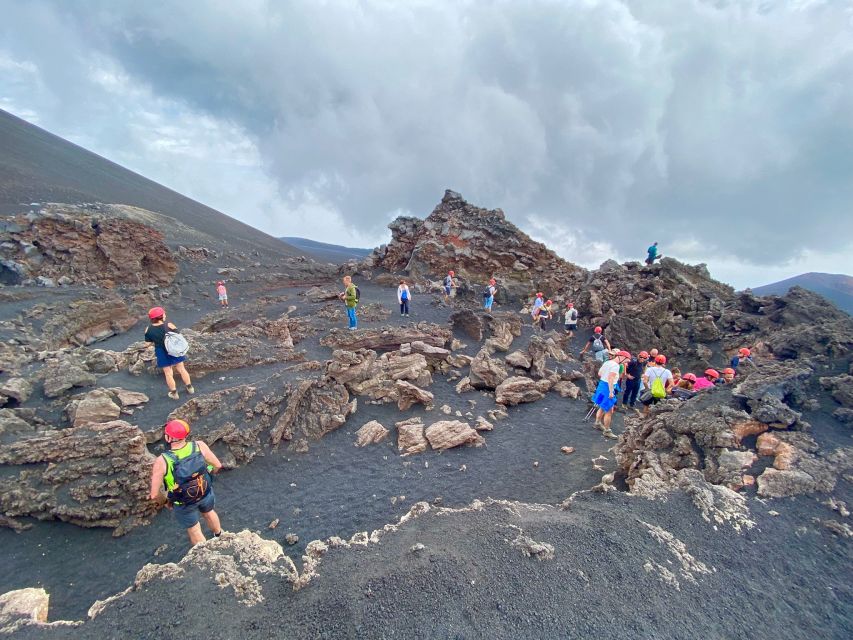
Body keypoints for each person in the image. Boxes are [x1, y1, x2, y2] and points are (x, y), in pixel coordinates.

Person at [149, 419, 223, 546]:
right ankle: (220, 535)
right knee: (209, 513)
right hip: (205, 491)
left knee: (194, 528)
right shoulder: (199, 445)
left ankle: (205, 553)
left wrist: (166, 502)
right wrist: (208, 473)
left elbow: (154, 495)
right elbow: (217, 465)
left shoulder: (163, 460)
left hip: (182, 501)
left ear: (169, 437)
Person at [145, 307, 194, 400]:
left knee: (168, 373)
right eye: (164, 314)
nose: (165, 315)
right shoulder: (169, 325)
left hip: (161, 352)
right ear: (160, 316)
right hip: (174, 350)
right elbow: (178, 335)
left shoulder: (148, 329)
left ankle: (174, 393)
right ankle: (190, 388)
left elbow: (147, 343)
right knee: (181, 369)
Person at [593, 350, 631, 438]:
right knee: (609, 411)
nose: (626, 363)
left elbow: (600, 373)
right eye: (626, 360)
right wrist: (610, 392)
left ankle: (597, 423)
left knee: (602, 406)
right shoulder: (616, 366)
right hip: (607, 388)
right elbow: (611, 378)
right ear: (622, 357)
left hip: (601, 385)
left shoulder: (607, 362)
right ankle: (607, 431)